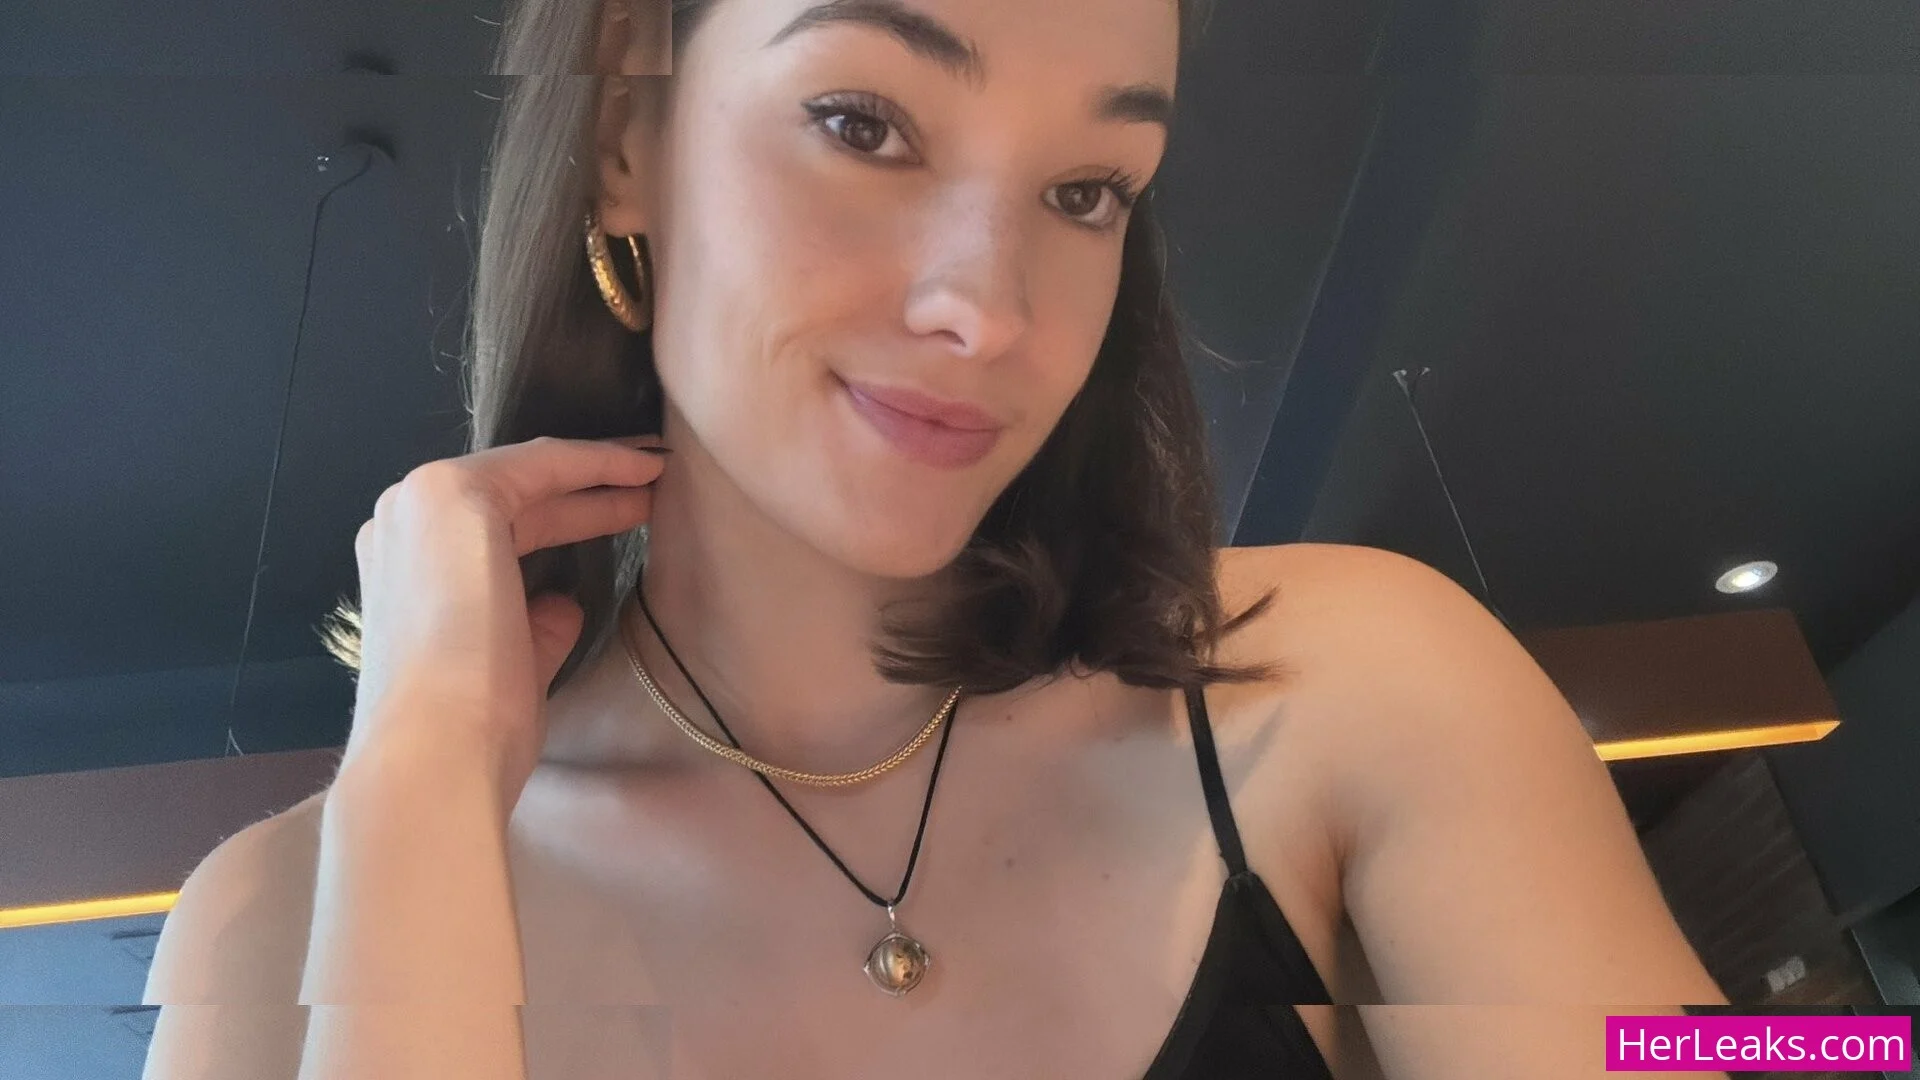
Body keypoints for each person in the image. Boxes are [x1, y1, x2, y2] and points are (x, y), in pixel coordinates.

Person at [140, 1, 1732, 1078]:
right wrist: (419, 784)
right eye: (864, 122)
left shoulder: (1349, 684)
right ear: (626, 134)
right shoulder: (281, 925)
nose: (989, 311)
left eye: (1089, 190)